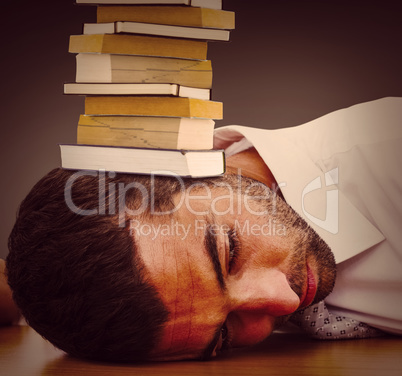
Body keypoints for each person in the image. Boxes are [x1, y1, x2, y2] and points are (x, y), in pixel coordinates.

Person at [4, 97, 402, 362]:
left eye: (229, 251)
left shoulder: (390, 158)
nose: (283, 302)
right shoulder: (177, 288)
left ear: (196, 163)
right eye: (224, 334)